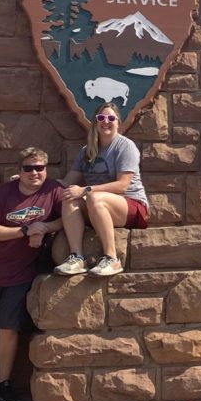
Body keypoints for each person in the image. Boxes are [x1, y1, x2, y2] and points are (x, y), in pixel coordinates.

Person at [0, 147, 63, 401]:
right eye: (29, 168)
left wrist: (44, 227)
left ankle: (4, 382)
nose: (35, 173)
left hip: (20, 274)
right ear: (19, 171)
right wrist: (24, 230)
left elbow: (66, 218)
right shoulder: (3, 194)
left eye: (40, 167)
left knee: (9, 329)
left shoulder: (53, 191)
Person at [54, 101, 148, 277]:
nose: (106, 121)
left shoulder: (125, 147)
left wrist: (85, 190)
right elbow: (66, 182)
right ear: (95, 122)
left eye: (111, 117)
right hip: (97, 206)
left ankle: (112, 259)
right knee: (69, 197)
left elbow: (122, 185)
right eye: (101, 117)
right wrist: (34, 183)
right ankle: (77, 258)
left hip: (132, 206)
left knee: (93, 197)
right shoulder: (86, 151)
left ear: (118, 123)